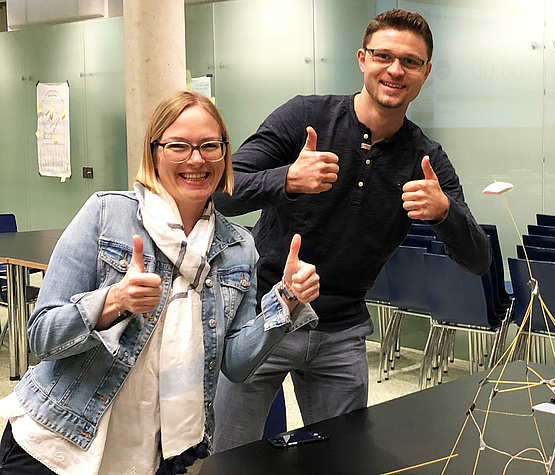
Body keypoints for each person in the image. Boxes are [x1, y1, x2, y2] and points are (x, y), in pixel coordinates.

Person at [210, 9, 491, 452]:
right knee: (228, 454)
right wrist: (285, 179)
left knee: (343, 462)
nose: (395, 70)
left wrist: (443, 213)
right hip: (261, 316)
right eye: (384, 56)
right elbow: (220, 190)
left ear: (425, 73)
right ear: (362, 59)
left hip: (340, 335)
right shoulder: (305, 117)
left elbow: (478, 259)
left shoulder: (425, 157)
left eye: (411, 62)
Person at [0, 91, 321, 474]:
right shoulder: (106, 215)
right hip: (58, 442)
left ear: (225, 153)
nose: (196, 159)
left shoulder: (239, 248)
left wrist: (284, 302)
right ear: (154, 152)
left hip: (157, 454)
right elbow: (42, 336)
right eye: (179, 146)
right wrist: (113, 301)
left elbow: (235, 365)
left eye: (209, 146)